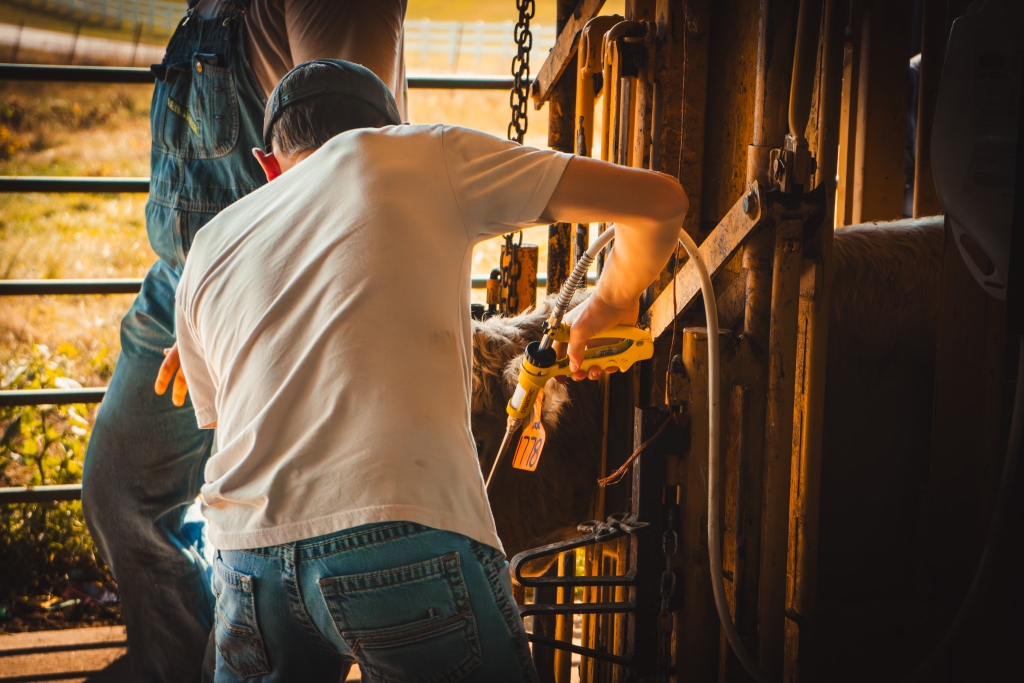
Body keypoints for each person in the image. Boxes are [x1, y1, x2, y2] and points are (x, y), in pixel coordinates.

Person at [164, 59, 686, 681]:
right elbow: (659, 202)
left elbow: (238, 421)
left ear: (267, 164)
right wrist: (610, 300)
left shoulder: (208, 245)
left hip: (245, 560)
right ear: (391, 128)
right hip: (395, 533)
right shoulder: (416, 153)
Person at [80, 2, 407, 681]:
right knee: (121, 489)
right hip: (181, 287)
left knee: (273, 527)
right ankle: (177, 663)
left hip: (277, 288)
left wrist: (251, 312)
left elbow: (348, 170)